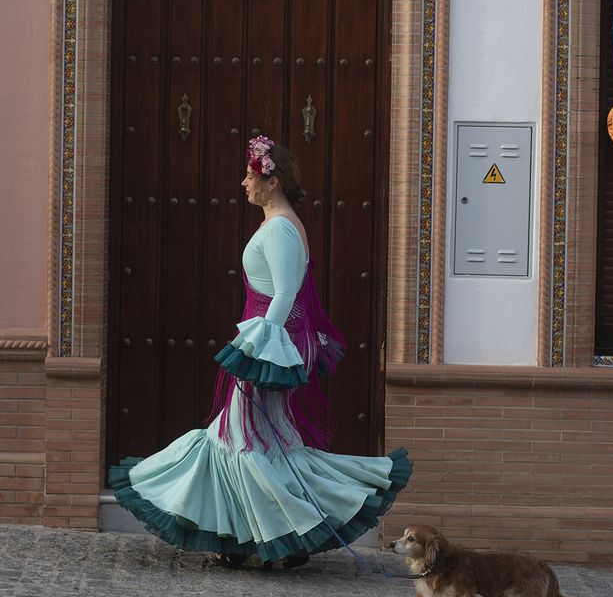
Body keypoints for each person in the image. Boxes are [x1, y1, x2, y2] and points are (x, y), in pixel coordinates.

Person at [109, 135, 412, 570]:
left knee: (240, 440)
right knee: (265, 442)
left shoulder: (282, 227)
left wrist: (261, 350)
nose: (243, 183)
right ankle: (260, 537)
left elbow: (288, 293)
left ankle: (273, 536)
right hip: (272, 347)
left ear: (272, 181)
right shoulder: (280, 223)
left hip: (272, 350)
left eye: (250, 175)